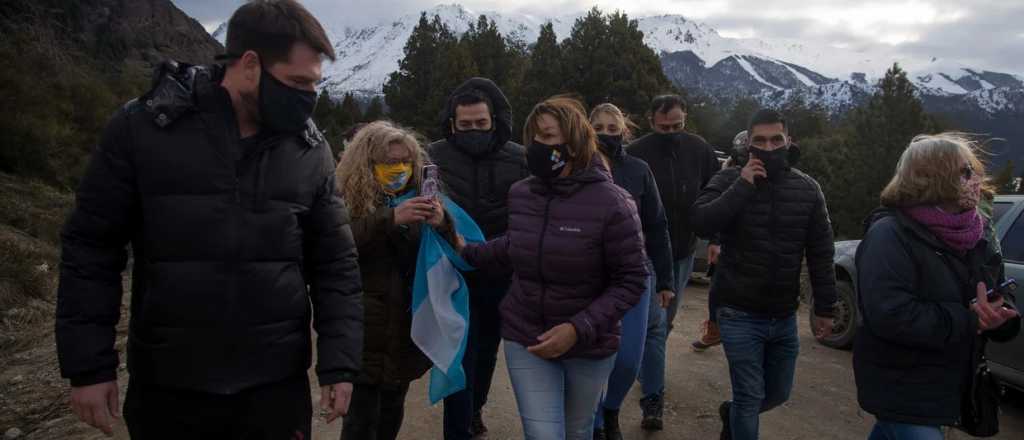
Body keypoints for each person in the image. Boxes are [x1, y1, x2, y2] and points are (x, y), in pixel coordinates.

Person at [54, 1, 363, 438]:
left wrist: (340, 363)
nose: (308, 98)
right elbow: (91, 248)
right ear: (250, 64)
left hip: (274, 391)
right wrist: (88, 366)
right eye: (298, 83)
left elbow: (335, 264)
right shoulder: (143, 129)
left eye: (314, 85)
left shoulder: (310, 151)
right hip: (170, 388)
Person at [461, 97, 648, 440]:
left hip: (589, 343)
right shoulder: (521, 193)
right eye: (533, 138)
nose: (537, 147)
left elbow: (633, 279)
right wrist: (464, 248)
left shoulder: (614, 203)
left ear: (574, 141)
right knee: (543, 434)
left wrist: (578, 329)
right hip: (526, 335)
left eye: (547, 137)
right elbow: (515, 244)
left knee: (577, 431)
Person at [854, 133, 1020, 440]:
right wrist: (970, 319)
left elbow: (997, 291)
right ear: (933, 177)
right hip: (904, 385)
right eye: (965, 172)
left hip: (951, 382)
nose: (977, 180)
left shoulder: (977, 232)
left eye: (975, 170)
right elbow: (890, 314)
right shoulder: (889, 235)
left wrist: (1001, 316)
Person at [690, 109, 837, 440]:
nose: (769, 148)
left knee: (778, 394)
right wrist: (742, 185)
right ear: (749, 143)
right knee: (749, 396)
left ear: (788, 141)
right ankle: (739, 415)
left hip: (784, 315)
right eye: (760, 140)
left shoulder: (807, 189)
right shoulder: (729, 180)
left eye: (776, 139)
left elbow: (820, 252)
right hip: (738, 311)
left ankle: (732, 415)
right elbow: (700, 222)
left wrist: (825, 307)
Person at [334, 121, 457, 439]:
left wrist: (443, 224)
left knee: (391, 410)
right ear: (366, 162)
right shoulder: (342, 197)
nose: (398, 169)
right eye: (389, 162)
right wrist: (389, 218)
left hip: (403, 328)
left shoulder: (422, 197)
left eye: (404, 161)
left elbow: (454, 253)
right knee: (360, 420)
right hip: (363, 330)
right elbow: (335, 243)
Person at [427, 77, 528, 440]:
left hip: (499, 271)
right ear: (452, 124)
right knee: (458, 351)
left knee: (486, 349)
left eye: (480, 123)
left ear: (494, 121)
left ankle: (475, 407)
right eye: (465, 124)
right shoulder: (433, 157)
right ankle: (457, 429)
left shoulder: (520, 159)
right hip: (450, 270)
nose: (473, 130)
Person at [627, 94, 720, 430]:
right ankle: (654, 398)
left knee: (663, 324)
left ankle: (645, 366)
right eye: (664, 127)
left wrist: (716, 240)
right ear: (652, 122)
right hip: (644, 253)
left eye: (677, 126)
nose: (671, 132)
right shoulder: (636, 153)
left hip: (682, 251)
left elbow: (717, 193)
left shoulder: (700, 149)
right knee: (653, 325)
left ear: (686, 120)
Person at [589, 103, 673, 440]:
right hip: (589, 273)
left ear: (624, 132)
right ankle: (594, 422)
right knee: (591, 355)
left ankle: (611, 408)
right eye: (599, 127)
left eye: (613, 128)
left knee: (628, 359)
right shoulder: (574, 166)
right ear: (586, 128)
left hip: (635, 273)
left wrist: (666, 280)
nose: (606, 134)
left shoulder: (639, 170)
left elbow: (657, 225)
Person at [691, 130, 746, 353]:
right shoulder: (727, 173)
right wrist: (716, 240)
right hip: (729, 242)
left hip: (754, 247)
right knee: (718, 287)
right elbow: (715, 209)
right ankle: (715, 330)